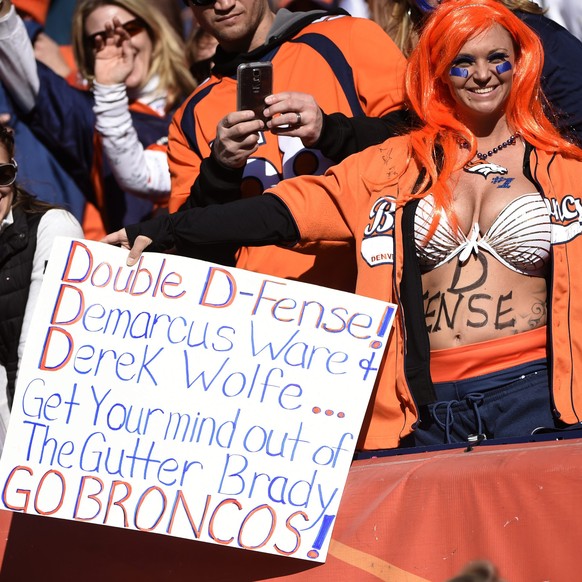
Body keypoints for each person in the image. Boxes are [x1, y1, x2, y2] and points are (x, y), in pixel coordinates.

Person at [105, 0, 582, 451]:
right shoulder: (395, 167)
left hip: (536, 391)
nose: (481, 74)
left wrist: (330, 129)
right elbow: (277, 213)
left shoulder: (566, 170)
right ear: (438, 73)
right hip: (426, 403)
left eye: (498, 59)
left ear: (521, 64)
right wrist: (163, 232)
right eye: (461, 62)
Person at [168, 0, 409, 291]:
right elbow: (187, 243)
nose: (224, 4)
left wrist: (331, 130)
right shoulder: (189, 116)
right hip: (262, 313)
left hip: (365, 294)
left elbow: (420, 142)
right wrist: (220, 169)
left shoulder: (348, 37)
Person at [0, 0, 196, 240]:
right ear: (87, 54)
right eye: (99, 40)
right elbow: (30, 82)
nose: (119, 43)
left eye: (131, 29)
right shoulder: (90, 117)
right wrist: (4, 14)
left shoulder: (200, 97)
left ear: (154, 31)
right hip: (140, 269)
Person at [370, 0, 582, 143]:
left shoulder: (541, 42)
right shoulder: (402, 49)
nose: (482, 75)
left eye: (496, 57)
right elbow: (406, 128)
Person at [0, 125, 83, 451]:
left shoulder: (53, 228)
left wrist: (28, 456)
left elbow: (37, 351)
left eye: (2, 173)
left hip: (37, 437)